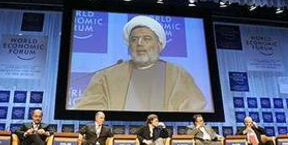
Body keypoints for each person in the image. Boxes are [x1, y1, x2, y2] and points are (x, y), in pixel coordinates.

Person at [74, 15, 206, 112]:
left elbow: (194, 109)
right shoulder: (106, 76)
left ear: (159, 45)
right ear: (129, 45)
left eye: (147, 38)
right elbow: (87, 109)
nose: (139, 43)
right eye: (134, 39)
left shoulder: (177, 74)